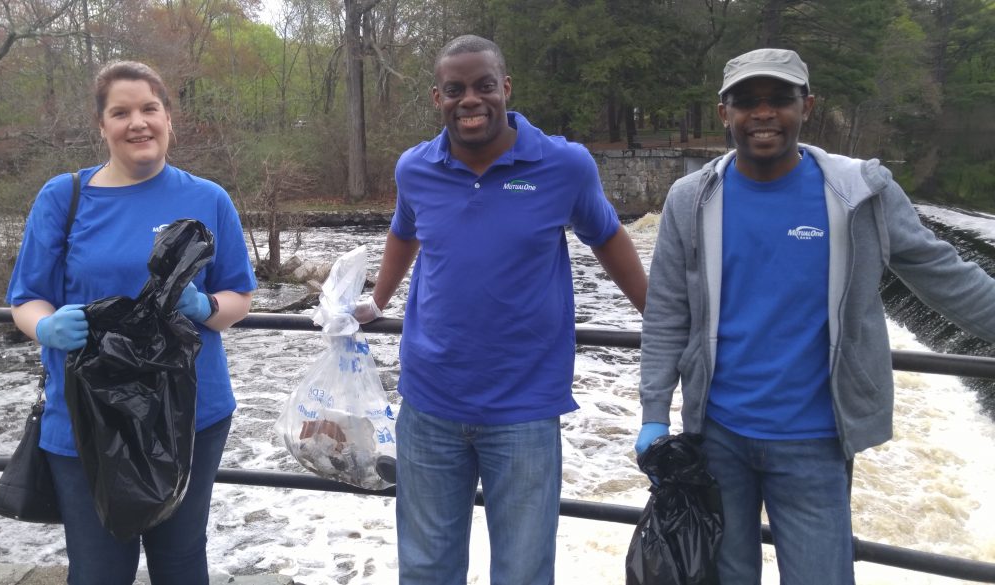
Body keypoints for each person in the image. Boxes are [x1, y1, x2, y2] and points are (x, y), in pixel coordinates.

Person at [635, 47, 995, 583]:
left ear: (807, 106)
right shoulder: (692, 199)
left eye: (779, 99)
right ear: (723, 113)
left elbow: (942, 273)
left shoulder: (858, 193)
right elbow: (666, 312)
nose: (763, 114)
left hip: (816, 439)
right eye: (746, 102)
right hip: (716, 435)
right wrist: (653, 413)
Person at [353, 34, 647, 585]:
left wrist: (658, 318)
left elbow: (606, 237)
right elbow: (404, 232)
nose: (471, 100)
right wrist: (377, 301)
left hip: (525, 407)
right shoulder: (415, 168)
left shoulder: (565, 165)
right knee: (426, 568)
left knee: (523, 570)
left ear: (505, 88)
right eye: (455, 89)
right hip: (429, 401)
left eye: (484, 86)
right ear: (436, 97)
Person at [6, 61, 257, 585]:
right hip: (84, 417)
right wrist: (46, 327)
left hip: (191, 413)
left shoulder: (209, 198)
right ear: (102, 126)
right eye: (120, 112)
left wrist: (206, 307)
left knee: (182, 562)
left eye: (149, 108)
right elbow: (26, 298)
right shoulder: (63, 197)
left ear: (169, 118)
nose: (137, 122)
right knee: (98, 569)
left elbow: (241, 296)